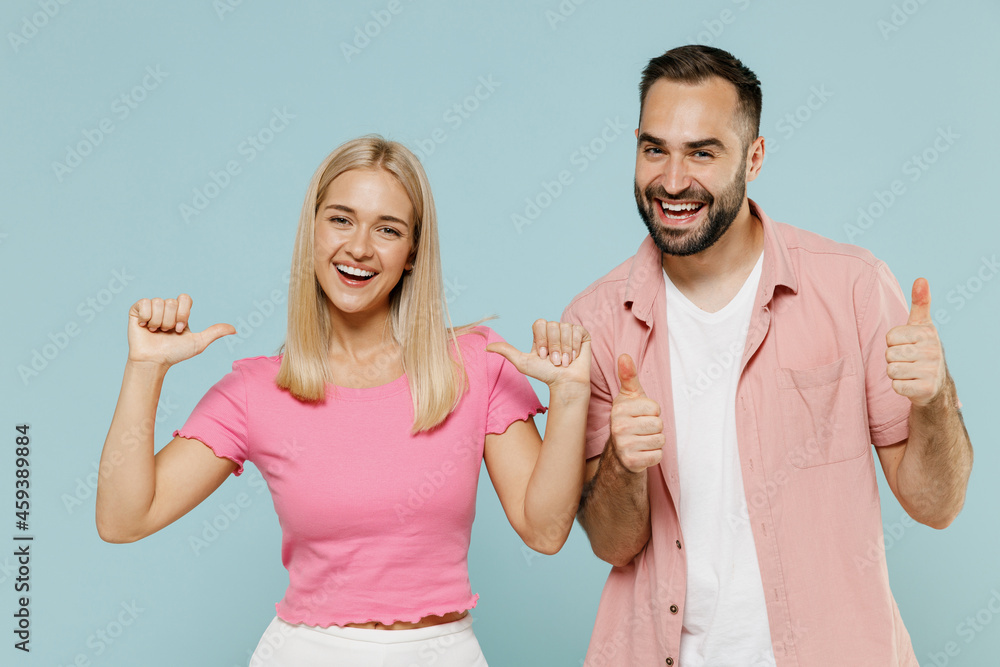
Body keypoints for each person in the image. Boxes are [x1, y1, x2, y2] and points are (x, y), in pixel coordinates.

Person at [95, 135, 591, 666]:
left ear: (412, 252)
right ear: (312, 230)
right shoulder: (255, 391)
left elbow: (545, 531)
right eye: (340, 220)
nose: (359, 247)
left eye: (388, 229)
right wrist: (145, 368)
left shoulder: (477, 365)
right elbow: (124, 520)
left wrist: (569, 395)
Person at [566, 45, 973, 667]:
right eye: (655, 149)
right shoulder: (595, 321)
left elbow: (936, 504)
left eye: (702, 153)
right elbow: (612, 544)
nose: (672, 181)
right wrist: (624, 460)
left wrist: (935, 397)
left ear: (754, 158)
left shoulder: (853, 288)